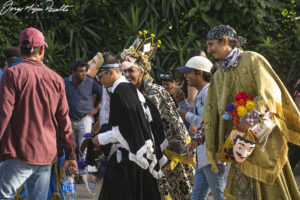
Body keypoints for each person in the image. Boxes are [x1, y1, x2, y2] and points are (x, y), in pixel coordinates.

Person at [188, 25, 300, 199]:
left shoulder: (253, 59)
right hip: (238, 148)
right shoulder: (219, 75)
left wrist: (250, 120)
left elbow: (271, 95)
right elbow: (211, 113)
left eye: (211, 45)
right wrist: (197, 139)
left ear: (224, 41)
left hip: (264, 143)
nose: (209, 50)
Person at [0, 27, 77, 199]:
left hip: (20, 152)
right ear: (41, 49)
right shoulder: (56, 79)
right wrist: (70, 154)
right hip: (46, 154)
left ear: (20, 49)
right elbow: (64, 120)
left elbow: (3, 114)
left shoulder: (12, 74)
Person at [121, 31, 194, 200]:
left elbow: (144, 122)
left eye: (131, 71)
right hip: (153, 154)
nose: (127, 75)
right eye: (125, 71)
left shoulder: (155, 92)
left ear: (142, 70)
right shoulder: (132, 92)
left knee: (180, 194)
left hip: (172, 153)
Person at [91, 53, 167, 200]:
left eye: (99, 76)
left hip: (129, 160)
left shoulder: (120, 93)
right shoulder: (127, 89)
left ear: (111, 73)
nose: (98, 80)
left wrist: (100, 138)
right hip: (135, 157)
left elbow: (125, 130)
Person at [177, 56, 225, 200]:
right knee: (197, 195)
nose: (185, 76)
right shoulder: (203, 92)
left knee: (219, 195)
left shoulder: (209, 92)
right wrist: (182, 103)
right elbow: (196, 114)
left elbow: (208, 123)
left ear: (199, 72)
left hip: (212, 153)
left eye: (188, 72)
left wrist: (187, 116)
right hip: (204, 154)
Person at [64, 58, 102, 194]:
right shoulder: (64, 82)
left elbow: (103, 93)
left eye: (85, 71)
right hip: (68, 119)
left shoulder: (90, 82)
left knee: (83, 147)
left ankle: (83, 176)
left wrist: (96, 109)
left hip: (85, 119)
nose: (84, 74)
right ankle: (71, 174)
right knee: (70, 147)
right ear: (73, 72)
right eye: (80, 71)